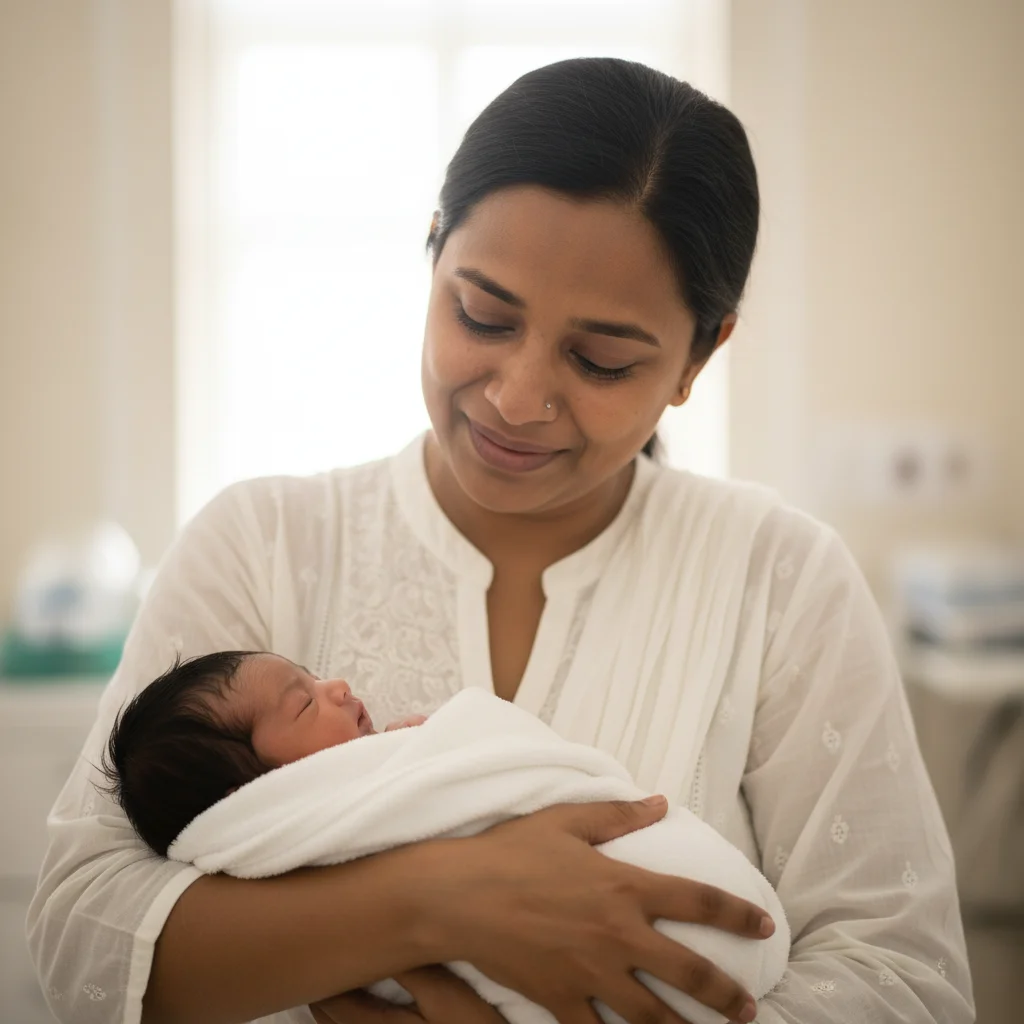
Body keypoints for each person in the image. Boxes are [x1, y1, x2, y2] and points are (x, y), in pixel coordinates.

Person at [28, 57, 973, 1024]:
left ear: (701, 353)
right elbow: (82, 936)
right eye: (482, 315)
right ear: (433, 248)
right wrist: (434, 903)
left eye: (601, 360)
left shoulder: (782, 581)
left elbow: (905, 981)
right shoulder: (260, 544)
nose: (518, 399)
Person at [101, 652, 428, 858]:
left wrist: (406, 746)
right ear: (253, 797)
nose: (339, 686)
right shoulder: (309, 847)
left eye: (314, 678)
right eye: (305, 703)